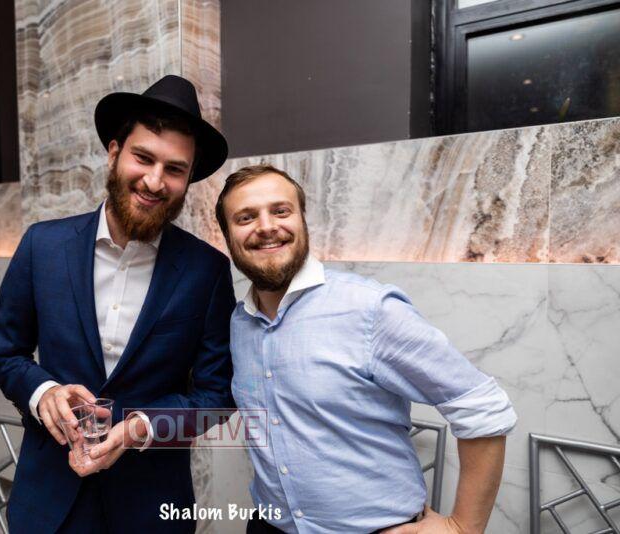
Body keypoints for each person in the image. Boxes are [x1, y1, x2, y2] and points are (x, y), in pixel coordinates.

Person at [0, 75, 235, 533]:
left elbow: (216, 397)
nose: (155, 181)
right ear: (114, 152)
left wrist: (141, 427)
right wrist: (44, 393)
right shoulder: (42, 246)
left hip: (153, 506)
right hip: (50, 503)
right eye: (144, 157)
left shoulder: (208, 270)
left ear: (188, 179)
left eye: (174, 169)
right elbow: (4, 354)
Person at [215, 164, 517, 534]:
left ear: (302, 221)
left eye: (281, 211)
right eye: (245, 217)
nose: (266, 226)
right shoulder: (238, 323)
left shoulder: (370, 308)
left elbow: (481, 405)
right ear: (228, 236)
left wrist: (462, 527)